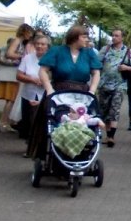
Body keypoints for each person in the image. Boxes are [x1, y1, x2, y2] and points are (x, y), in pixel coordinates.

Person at [27, 25, 101, 160]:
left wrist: (92, 90)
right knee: (53, 120)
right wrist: (49, 89)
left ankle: (80, 153)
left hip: (82, 94)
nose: (87, 40)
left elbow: (96, 73)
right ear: (75, 37)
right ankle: (50, 155)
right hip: (59, 93)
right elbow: (43, 70)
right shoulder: (57, 51)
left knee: (82, 119)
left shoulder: (89, 53)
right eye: (84, 37)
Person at [97, 29, 131, 148]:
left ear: (122, 37)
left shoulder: (128, 51)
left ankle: (111, 137)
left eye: (116, 35)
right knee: (104, 110)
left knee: (115, 110)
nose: (113, 37)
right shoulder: (105, 49)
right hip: (104, 84)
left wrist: (126, 68)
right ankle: (107, 134)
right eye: (113, 35)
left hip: (119, 85)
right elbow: (96, 63)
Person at [0, 23, 34, 133]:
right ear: (25, 32)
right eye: (29, 32)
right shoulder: (17, 41)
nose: (30, 35)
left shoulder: (20, 42)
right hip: (11, 73)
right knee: (11, 99)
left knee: (11, 99)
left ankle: (4, 121)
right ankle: (4, 122)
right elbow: (9, 54)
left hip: (12, 73)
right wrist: (24, 57)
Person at [16, 34, 50, 142]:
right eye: (37, 44)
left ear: (47, 46)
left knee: (42, 120)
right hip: (28, 93)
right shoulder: (28, 58)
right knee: (28, 119)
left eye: (43, 44)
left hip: (45, 93)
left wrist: (45, 81)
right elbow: (19, 75)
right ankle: (29, 141)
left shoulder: (52, 59)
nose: (40, 46)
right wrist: (32, 79)